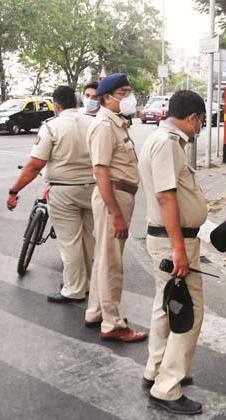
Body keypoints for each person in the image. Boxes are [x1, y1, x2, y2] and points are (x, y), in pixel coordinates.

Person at [139, 90, 208, 415]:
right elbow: (167, 197)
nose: (199, 129)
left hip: (168, 239)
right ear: (192, 117)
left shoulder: (161, 139)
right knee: (188, 313)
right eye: (201, 122)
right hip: (174, 242)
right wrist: (180, 248)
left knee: (165, 306)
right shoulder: (167, 142)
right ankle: (167, 387)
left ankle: (155, 369)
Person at [7, 85, 96, 303]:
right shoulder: (93, 123)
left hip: (64, 192)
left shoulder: (51, 127)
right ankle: (89, 284)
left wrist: (14, 190)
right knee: (87, 239)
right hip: (93, 189)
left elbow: (35, 164)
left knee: (70, 242)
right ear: (76, 101)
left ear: (56, 105)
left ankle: (74, 289)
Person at [84, 73, 147, 343]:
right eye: (123, 92)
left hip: (121, 195)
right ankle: (112, 323)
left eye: (128, 92)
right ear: (107, 97)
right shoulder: (104, 126)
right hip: (114, 198)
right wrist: (116, 214)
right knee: (111, 263)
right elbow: (101, 172)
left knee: (104, 256)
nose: (128, 97)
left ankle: (96, 311)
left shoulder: (117, 123)